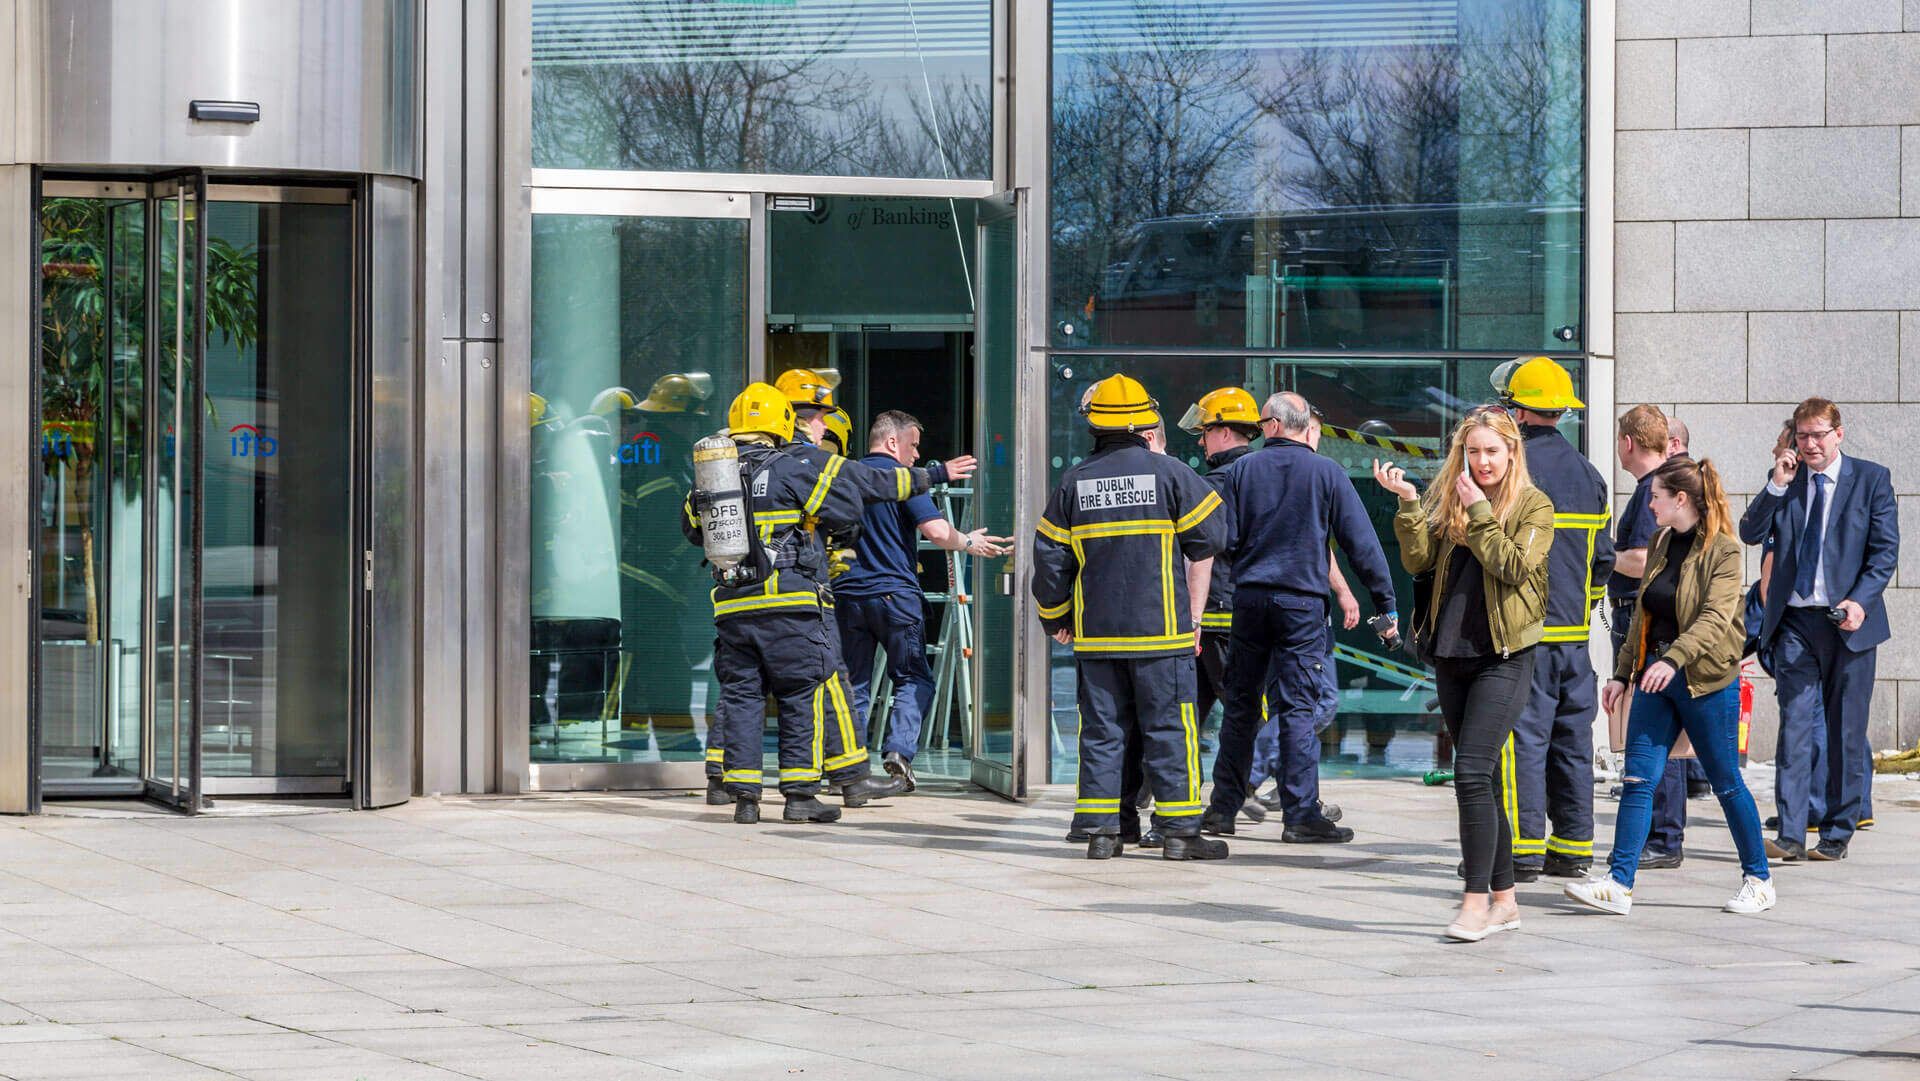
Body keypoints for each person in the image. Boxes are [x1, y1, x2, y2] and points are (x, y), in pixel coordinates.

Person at [684, 384, 938, 823]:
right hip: (791, 606)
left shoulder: (715, 475)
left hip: (732, 606)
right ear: (783, 423)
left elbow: (692, 530)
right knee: (802, 693)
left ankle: (744, 797)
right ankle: (800, 796)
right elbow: (843, 510)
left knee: (743, 697)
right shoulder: (790, 466)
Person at [1033, 374, 1232, 860]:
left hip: (1097, 639)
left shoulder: (1074, 482)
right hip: (1161, 635)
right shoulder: (1168, 474)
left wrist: (1057, 617)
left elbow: (1049, 561)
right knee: (1170, 729)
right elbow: (1213, 536)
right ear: (1145, 423)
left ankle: (1103, 833)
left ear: (1094, 426)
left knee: (1103, 732)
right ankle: (1180, 835)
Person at [1566, 455, 1775, 916]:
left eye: (1656, 497)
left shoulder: (1723, 550)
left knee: (1726, 782)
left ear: (1681, 499)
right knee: (1638, 779)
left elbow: (1716, 619)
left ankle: (1758, 878)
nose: (1651, 504)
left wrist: (1675, 660)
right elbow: (1643, 612)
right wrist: (1623, 674)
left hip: (1704, 681)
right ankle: (1619, 883)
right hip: (1654, 678)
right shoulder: (1661, 541)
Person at [1377, 408, 1553, 942]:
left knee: (1472, 773)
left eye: (1491, 452)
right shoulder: (1449, 497)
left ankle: (1474, 903)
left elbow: (1513, 567)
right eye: (1473, 452)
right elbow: (1417, 562)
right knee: (1486, 781)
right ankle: (1506, 901)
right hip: (1452, 651)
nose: (1481, 462)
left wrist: (1479, 512)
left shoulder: (1533, 506)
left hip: (1504, 655)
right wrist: (1411, 505)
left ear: (1512, 452)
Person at [1203, 392, 1397, 844]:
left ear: (1270, 426)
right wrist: (1384, 603)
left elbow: (1219, 540)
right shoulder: (1326, 472)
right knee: (1297, 709)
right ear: (1302, 426)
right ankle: (1300, 815)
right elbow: (1360, 543)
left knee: (1240, 708)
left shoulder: (1240, 472)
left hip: (1248, 602)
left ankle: (1222, 809)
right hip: (1301, 606)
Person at [1742, 398, 1898, 862]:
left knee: (1846, 730)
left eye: (1817, 435)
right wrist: (1775, 483)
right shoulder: (1787, 484)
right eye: (1802, 436)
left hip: (1849, 623)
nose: (1809, 444)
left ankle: (1837, 831)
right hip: (1795, 623)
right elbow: (1750, 531)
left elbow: (1884, 553)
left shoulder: (1871, 480)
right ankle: (1790, 833)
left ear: (1839, 434)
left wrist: (1860, 601)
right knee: (1794, 726)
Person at [837, 410, 1011, 792]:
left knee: (855, 685)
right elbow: (934, 531)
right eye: (913, 446)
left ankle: (845, 767)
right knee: (913, 677)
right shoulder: (905, 482)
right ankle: (898, 752)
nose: (917, 456)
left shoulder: (846, 477)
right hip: (894, 595)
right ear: (892, 442)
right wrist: (968, 541)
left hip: (847, 595)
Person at [1492, 357, 1613, 882]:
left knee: (1523, 739)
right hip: (1573, 636)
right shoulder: (1590, 474)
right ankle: (1574, 848)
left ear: (1516, 412)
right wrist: (1582, 607)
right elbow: (1602, 560)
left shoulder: (1512, 472)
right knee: (1572, 741)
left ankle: (1522, 851)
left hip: (1525, 633)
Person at [1608, 404, 1689, 867]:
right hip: (1655, 620)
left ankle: (1662, 836)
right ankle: (1662, 833)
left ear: (1627, 443)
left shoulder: (1648, 492)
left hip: (1643, 621)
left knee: (1653, 731)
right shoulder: (1666, 483)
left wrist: (1601, 554)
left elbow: (1641, 560)